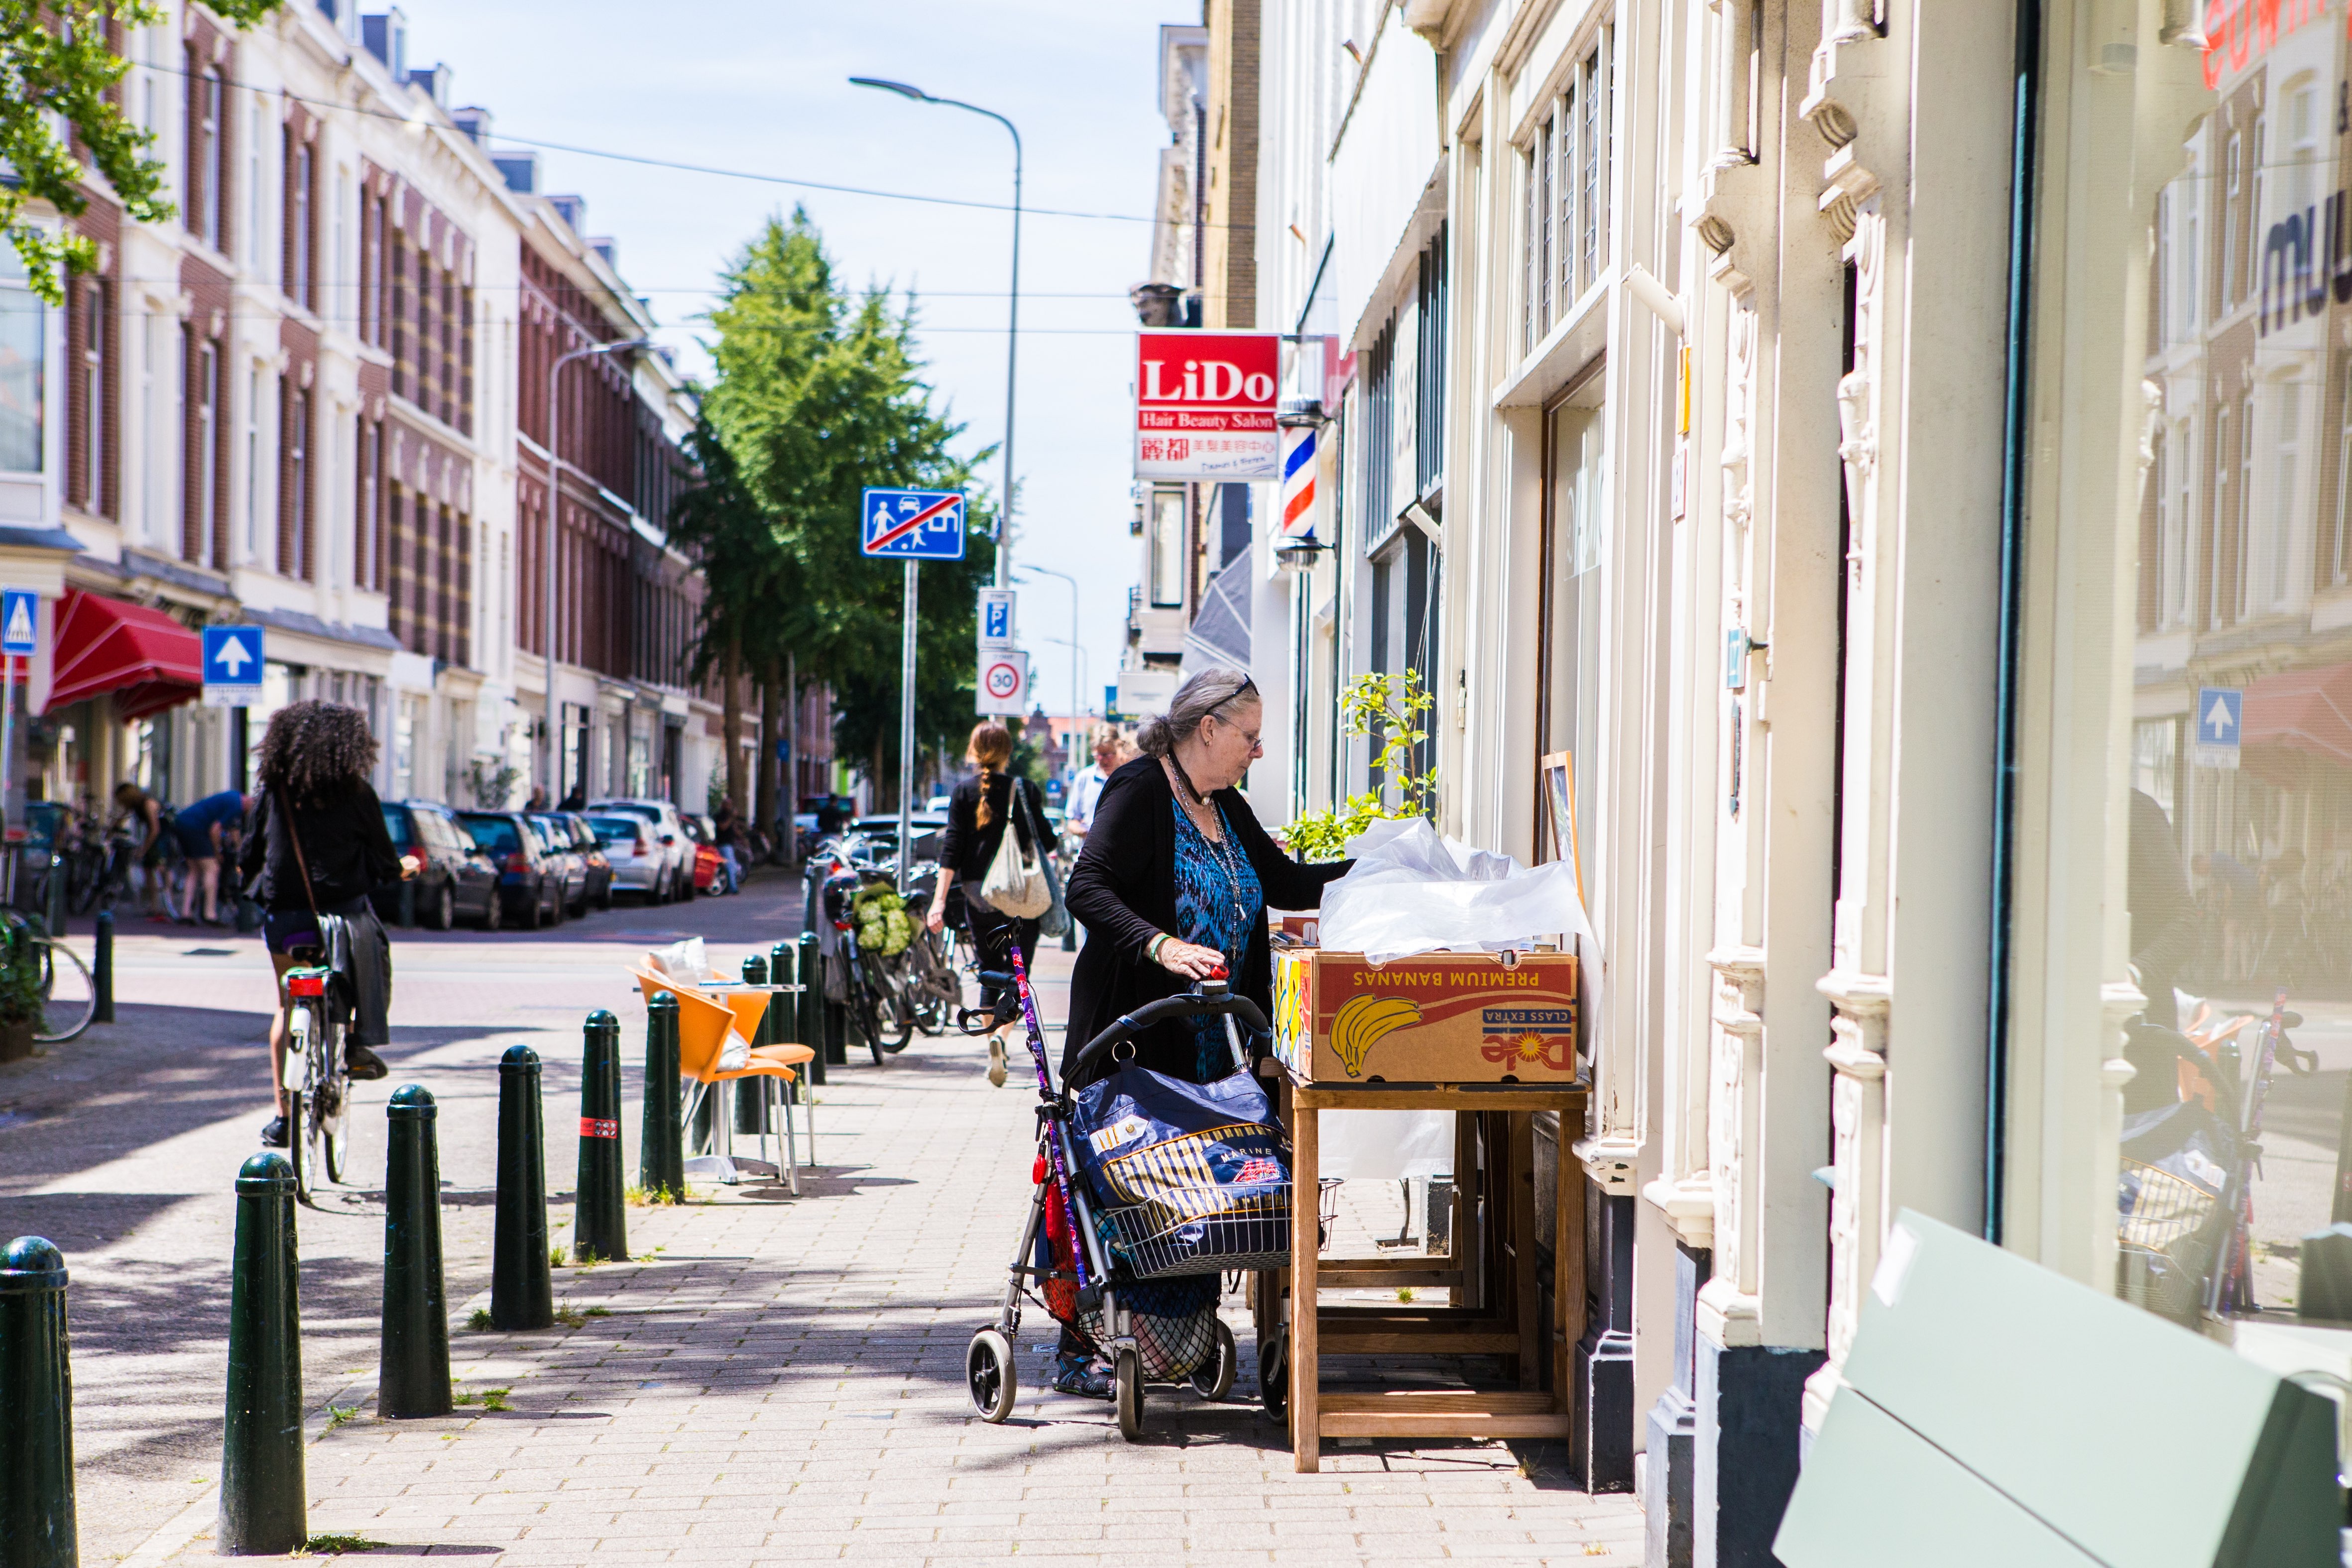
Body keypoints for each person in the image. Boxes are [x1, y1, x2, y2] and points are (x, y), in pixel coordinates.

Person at [1052, 668, 1350, 1396]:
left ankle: (1176, 1347)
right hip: (1137, 1040)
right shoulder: (1140, 788)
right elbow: (1086, 887)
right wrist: (1163, 946)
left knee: (1198, 1203)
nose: (1257, 751)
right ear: (1207, 728)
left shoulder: (1225, 804)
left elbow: (1287, 883)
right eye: (1249, 737)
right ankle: (1094, 1350)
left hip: (1211, 1047)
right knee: (1138, 1199)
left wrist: (1386, 872)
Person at [238, 701, 417, 1149]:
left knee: (285, 1005)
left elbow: (248, 855)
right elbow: (382, 858)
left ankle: (282, 1115)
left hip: (287, 920)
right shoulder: (356, 793)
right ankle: (355, 1042)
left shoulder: (275, 792)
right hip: (343, 918)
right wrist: (404, 868)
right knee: (373, 954)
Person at [927, 721, 1054, 1088]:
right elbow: (1046, 839)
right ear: (1007, 751)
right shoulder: (1024, 788)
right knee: (1018, 975)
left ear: (973, 749)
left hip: (978, 895)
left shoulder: (964, 792)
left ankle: (990, 1043)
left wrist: (938, 902)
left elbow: (951, 850)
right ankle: (1004, 1036)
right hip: (1018, 896)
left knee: (987, 970)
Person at [171, 788, 249, 926]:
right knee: (212, 869)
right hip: (196, 827)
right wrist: (217, 854)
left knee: (194, 870)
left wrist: (238, 847)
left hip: (182, 822)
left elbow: (233, 830)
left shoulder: (233, 797)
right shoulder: (238, 806)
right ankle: (210, 914)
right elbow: (215, 830)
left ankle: (186, 913)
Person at [113, 782, 168, 915]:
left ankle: (166, 902)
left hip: (161, 837)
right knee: (148, 870)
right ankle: (154, 906)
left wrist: (144, 849)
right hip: (154, 836)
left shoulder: (147, 804)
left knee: (160, 869)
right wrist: (113, 828)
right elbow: (122, 817)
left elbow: (155, 829)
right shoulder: (136, 805)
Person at [1065, 725, 1122, 840]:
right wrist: (1085, 832)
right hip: (1092, 854)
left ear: (1119, 749)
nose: (1104, 761)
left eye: (1109, 755)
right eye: (1099, 756)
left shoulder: (1129, 779)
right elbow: (1072, 821)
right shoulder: (1084, 778)